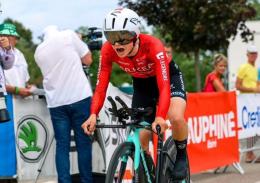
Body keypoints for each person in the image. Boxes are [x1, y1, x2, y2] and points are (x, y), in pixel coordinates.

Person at [82, 8, 188, 180]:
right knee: (142, 136)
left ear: (135, 34)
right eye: (111, 37)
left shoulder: (153, 46)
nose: (117, 44)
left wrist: (160, 116)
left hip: (168, 78)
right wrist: (93, 114)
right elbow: (101, 86)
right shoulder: (107, 50)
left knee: (175, 117)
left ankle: (181, 155)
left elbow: (163, 86)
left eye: (122, 37)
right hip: (142, 84)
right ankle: (149, 173)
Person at [34, 25, 93, 183]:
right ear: (57, 31)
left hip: (56, 103)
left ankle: (64, 181)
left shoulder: (38, 51)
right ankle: (87, 181)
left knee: (62, 146)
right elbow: (88, 60)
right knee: (83, 144)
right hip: (79, 97)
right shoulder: (68, 35)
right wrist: (79, 42)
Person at [235, 45, 260, 163]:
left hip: (254, 101)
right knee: (250, 127)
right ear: (247, 55)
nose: (253, 56)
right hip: (246, 101)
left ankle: (251, 153)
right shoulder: (243, 67)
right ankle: (249, 154)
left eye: (255, 53)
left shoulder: (255, 68)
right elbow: (238, 85)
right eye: (251, 53)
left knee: (255, 128)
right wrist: (253, 90)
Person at [0, 23, 32, 97]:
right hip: (4, 100)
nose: (5, 38)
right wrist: (17, 90)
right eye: (2, 35)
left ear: (16, 39)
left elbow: (25, 80)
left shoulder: (20, 55)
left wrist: (29, 87)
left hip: (22, 101)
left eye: (8, 36)